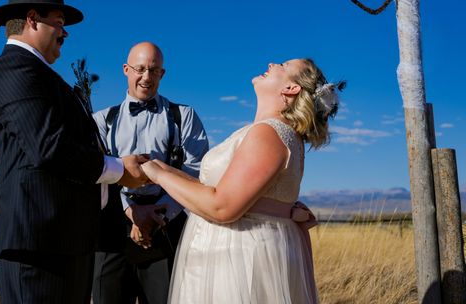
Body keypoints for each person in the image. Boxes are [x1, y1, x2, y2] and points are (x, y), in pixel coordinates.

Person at [0, 0, 149, 304]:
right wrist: (118, 169)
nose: (65, 32)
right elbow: (48, 147)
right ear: (32, 20)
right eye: (58, 22)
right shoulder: (14, 69)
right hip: (38, 244)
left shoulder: (37, 73)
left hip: (63, 241)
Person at [141, 58, 345, 304]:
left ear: (291, 88)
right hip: (241, 250)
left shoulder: (269, 134)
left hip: (238, 259)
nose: (271, 63)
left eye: (283, 65)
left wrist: (158, 175)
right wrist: (161, 168)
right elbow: (218, 191)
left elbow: (222, 206)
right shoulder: (277, 133)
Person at [92, 42, 209, 304]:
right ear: (125, 70)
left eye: (154, 71)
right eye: (140, 69)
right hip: (112, 234)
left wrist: (158, 214)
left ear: (162, 74)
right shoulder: (100, 120)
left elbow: (197, 171)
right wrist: (131, 212)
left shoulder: (184, 117)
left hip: (165, 231)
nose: (146, 77)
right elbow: (96, 172)